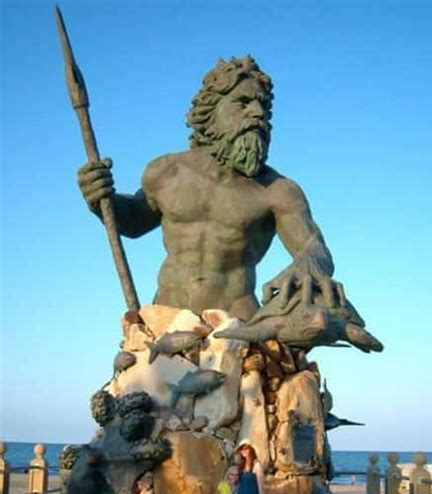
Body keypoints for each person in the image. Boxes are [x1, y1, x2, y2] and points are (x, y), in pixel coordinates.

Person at [77, 55, 348, 327]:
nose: (258, 113)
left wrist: (309, 266)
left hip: (236, 325)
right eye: (243, 103)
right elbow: (134, 221)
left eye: (264, 107)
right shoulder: (167, 171)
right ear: (212, 110)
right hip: (166, 322)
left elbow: (314, 248)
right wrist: (102, 199)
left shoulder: (277, 191)